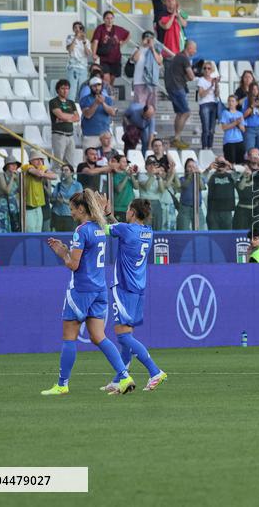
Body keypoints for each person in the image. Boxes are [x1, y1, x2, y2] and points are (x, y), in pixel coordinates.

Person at [41, 190, 134, 396]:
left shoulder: (81, 231)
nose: (71, 213)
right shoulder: (99, 228)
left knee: (69, 337)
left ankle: (62, 385)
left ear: (81, 209)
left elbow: (73, 265)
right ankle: (124, 376)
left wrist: (62, 253)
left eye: (72, 209)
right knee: (99, 336)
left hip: (81, 289)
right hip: (99, 289)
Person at [103, 198, 167, 392]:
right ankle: (119, 379)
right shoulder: (148, 231)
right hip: (138, 289)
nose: (126, 212)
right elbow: (122, 230)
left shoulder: (125, 229)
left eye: (127, 209)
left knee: (123, 337)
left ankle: (155, 371)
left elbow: (104, 229)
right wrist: (109, 215)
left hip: (124, 287)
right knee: (127, 335)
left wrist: (99, 211)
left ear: (131, 212)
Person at [164, 40, 197, 150]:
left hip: (173, 87)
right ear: (189, 48)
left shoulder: (178, 57)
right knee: (186, 112)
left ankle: (176, 138)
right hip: (177, 88)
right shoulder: (184, 58)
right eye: (194, 49)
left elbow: (183, 76)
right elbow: (191, 77)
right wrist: (195, 72)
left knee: (179, 113)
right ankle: (177, 138)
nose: (195, 51)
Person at [90, 11, 129, 90]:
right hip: (104, 59)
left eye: (111, 18)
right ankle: (105, 94)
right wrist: (94, 53)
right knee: (106, 79)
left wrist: (122, 42)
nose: (109, 20)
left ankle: (109, 95)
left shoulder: (117, 29)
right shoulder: (100, 28)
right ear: (104, 19)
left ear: (113, 19)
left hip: (115, 59)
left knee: (111, 81)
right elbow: (95, 41)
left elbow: (128, 34)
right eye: (107, 18)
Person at [46, 79, 80, 165]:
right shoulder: (53, 102)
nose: (65, 91)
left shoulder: (71, 102)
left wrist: (65, 119)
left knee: (70, 163)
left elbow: (77, 118)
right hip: (59, 135)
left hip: (70, 135)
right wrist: (68, 117)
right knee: (58, 161)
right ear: (58, 90)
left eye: (67, 88)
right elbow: (61, 115)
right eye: (63, 88)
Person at [21, 152, 55, 233]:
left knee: (38, 231)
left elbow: (54, 176)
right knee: (30, 231)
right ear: (31, 160)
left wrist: (43, 173)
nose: (39, 161)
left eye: (41, 159)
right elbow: (38, 173)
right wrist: (44, 173)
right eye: (37, 159)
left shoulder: (42, 168)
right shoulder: (27, 166)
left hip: (38, 206)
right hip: (28, 207)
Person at [131, 30, 164, 114]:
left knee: (151, 107)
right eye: (147, 38)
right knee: (139, 106)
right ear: (142, 39)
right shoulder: (137, 49)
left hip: (152, 82)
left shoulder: (157, 49)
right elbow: (134, 59)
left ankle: (150, 121)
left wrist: (152, 48)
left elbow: (159, 61)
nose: (149, 40)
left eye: (151, 38)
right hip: (139, 81)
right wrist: (141, 46)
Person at [79, 77, 116, 150]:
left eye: (99, 85)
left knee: (108, 156)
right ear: (90, 87)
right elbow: (88, 115)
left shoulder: (107, 99)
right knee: (90, 156)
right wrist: (96, 103)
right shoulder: (85, 99)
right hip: (90, 135)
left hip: (105, 135)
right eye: (94, 86)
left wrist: (103, 103)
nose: (97, 88)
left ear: (102, 86)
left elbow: (112, 113)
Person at [204, 157, 236, 230]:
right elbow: (201, 179)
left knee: (227, 235)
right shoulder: (211, 175)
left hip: (227, 211)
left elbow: (239, 176)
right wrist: (208, 169)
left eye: (222, 163)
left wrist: (231, 167)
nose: (221, 165)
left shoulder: (231, 175)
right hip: (213, 211)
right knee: (213, 235)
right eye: (218, 163)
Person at [196, 61, 221, 150]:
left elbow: (217, 94)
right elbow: (201, 94)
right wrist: (211, 86)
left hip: (214, 104)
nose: (207, 70)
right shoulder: (201, 80)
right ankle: (204, 147)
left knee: (212, 129)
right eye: (205, 68)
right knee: (206, 128)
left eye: (209, 68)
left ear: (212, 70)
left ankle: (210, 147)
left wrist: (216, 84)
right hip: (204, 104)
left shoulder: (214, 80)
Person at [64, 22, 92, 101]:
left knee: (83, 90)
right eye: (75, 27)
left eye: (79, 27)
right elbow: (69, 50)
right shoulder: (70, 37)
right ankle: (70, 107)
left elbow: (88, 54)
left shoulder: (86, 40)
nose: (77, 29)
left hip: (83, 68)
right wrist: (75, 38)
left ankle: (82, 107)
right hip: (73, 67)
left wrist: (84, 42)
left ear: (82, 29)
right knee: (71, 91)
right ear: (73, 29)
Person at [51, 163, 82, 232]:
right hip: (58, 215)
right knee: (58, 236)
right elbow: (52, 200)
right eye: (62, 170)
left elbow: (79, 201)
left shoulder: (77, 185)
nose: (64, 172)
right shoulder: (58, 185)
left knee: (70, 235)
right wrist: (56, 199)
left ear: (72, 173)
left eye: (66, 170)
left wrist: (64, 201)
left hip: (71, 216)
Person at [0, 155, 21, 233]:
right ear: (7, 166)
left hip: (13, 206)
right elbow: (7, 191)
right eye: (12, 164)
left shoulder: (17, 177)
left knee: (15, 229)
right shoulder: (0, 175)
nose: (14, 166)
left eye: (15, 165)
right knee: (3, 229)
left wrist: (18, 179)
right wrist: (12, 178)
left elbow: (21, 190)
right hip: (3, 206)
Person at [177, 158, 204, 231]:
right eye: (189, 166)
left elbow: (202, 187)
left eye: (193, 166)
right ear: (186, 168)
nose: (192, 168)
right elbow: (183, 186)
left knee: (200, 231)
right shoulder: (182, 179)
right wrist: (190, 177)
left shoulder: (199, 178)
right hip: (185, 208)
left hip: (198, 208)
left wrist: (198, 175)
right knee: (183, 230)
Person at [219, 95, 246, 164]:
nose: (230, 103)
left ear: (236, 103)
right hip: (229, 141)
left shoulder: (240, 114)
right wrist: (236, 122)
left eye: (232, 101)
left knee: (240, 163)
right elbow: (224, 127)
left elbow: (243, 130)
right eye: (229, 101)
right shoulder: (225, 113)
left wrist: (239, 124)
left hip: (239, 140)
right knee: (230, 163)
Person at [109, 154, 137, 219]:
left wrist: (131, 175)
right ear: (117, 163)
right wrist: (127, 176)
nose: (126, 164)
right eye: (123, 162)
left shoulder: (128, 173)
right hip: (119, 209)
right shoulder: (114, 175)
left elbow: (136, 187)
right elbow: (119, 189)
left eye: (126, 162)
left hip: (130, 208)